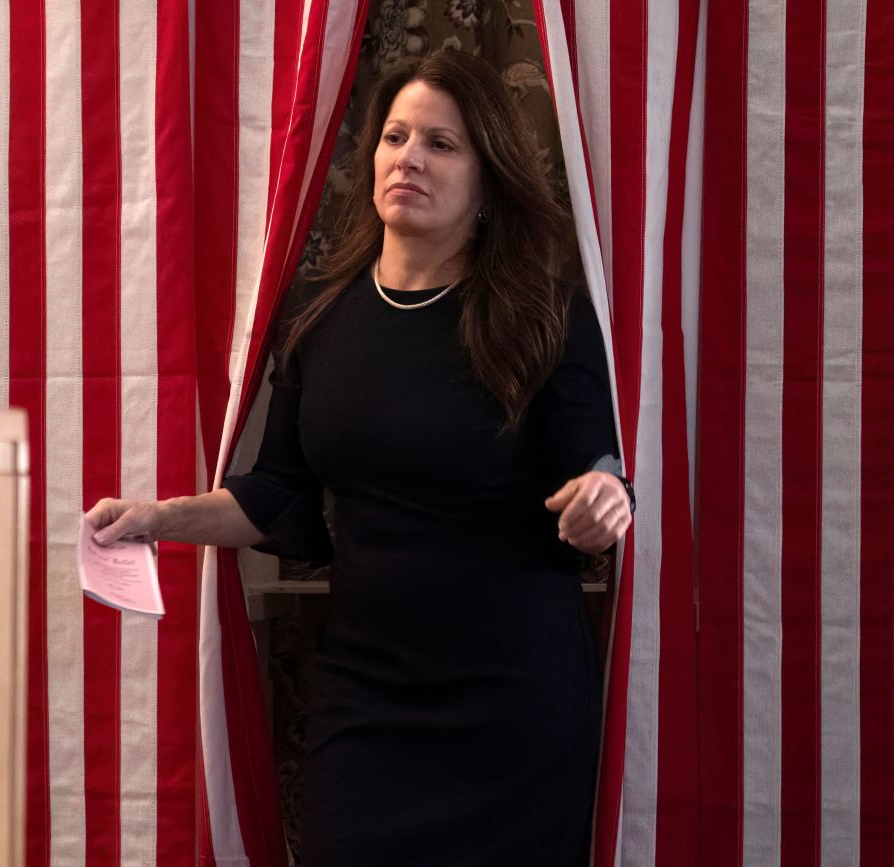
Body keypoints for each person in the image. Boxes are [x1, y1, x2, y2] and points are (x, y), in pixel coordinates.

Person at [87, 50, 631, 865]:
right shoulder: (322, 316)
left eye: (442, 145)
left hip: (515, 704)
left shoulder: (542, 312)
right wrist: (160, 518)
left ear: (488, 184)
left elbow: (596, 474)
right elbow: (279, 497)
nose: (408, 156)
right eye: (395, 136)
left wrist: (604, 497)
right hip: (367, 698)